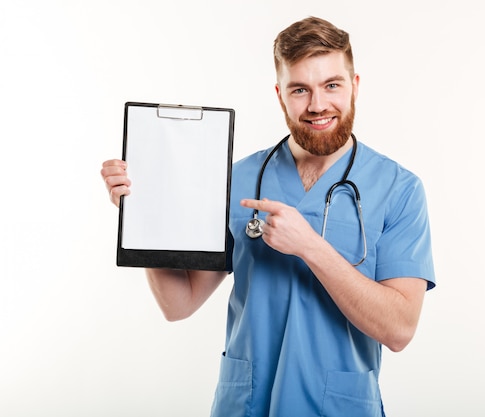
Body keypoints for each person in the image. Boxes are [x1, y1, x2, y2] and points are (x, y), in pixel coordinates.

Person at [101, 16, 435, 417]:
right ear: (280, 95)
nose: (317, 104)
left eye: (332, 85)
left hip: (338, 406)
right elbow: (179, 304)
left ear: (355, 86)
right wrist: (143, 218)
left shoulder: (399, 189)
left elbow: (399, 330)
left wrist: (310, 247)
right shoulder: (237, 180)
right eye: (300, 89)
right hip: (246, 405)